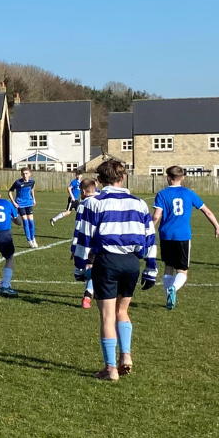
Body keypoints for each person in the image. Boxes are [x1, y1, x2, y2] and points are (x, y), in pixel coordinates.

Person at [71, 159, 157, 382]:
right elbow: (150, 237)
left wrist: (80, 267)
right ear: (123, 177)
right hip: (131, 262)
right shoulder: (139, 204)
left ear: (99, 181)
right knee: (123, 311)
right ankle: (125, 356)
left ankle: (110, 369)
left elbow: (83, 237)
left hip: (106, 260)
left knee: (107, 315)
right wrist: (151, 267)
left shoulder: (93, 203)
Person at [151, 165, 219, 309]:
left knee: (168, 267)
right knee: (182, 270)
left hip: (166, 235)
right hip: (183, 236)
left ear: (168, 177)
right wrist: (217, 226)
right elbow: (207, 212)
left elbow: (156, 216)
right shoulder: (189, 194)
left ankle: (169, 295)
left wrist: (148, 231)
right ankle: (173, 289)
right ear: (183, 178)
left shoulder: (162, 194)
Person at [73, 178, 98, 309]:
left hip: (87, 241)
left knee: (86, 271)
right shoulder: (101, 201)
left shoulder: (82, 205)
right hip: (100, 241)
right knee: (93, 269)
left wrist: (74, 247)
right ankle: (88, 295)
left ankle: (88, 296)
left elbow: (78, 227)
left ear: (83, 191)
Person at [8, 167, 38, 247]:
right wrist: (14, 202)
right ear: (21, 174)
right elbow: (10, 191)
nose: (25, 175)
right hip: (20, 204)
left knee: (31, 222)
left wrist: (34, 199)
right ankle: (29, 240)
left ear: (30, 174)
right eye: (23, 174)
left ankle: (33, 238)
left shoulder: (32, 182)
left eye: (26, 173)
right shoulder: (18, 183)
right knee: (25, 222)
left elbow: (32, 189)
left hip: (29, 203)